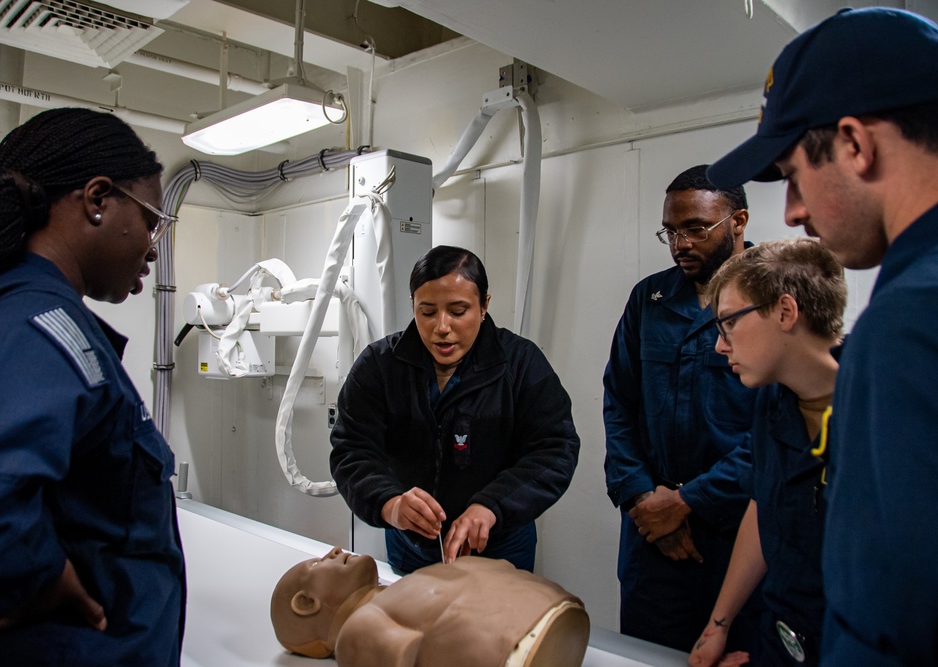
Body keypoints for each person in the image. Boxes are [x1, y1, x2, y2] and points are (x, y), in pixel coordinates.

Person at [706, 8, 938, 665]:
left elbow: (891, 622)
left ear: (855, 144)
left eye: (796, 174)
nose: (794, 212)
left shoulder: (905, 327)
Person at [0, 108, 185, 666]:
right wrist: (39, 578)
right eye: (150, 222)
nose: (152, 247)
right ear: (97, 199)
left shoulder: (24, 311)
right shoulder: (33, 321)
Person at [329, 245, 580, 574]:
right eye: (427, 312)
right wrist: (390, 504)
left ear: (484, 305)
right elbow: (352, 449)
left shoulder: (520, 364)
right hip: (412, 547)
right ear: (413, 306)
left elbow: (555, 449)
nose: (441, 327)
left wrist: (492, 506)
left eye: (458, 311)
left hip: (499, 547)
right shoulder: (379, 366)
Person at [602, 164, 761, 652]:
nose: (680, 244)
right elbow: (619, 406)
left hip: (739, 535)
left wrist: (690, 500)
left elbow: (780, 430)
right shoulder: (649, 299)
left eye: (696, 229)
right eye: (670, 231)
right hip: (652, 536)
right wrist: (643, 501)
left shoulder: (774, 295)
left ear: (739, 221)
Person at [687, 239, 846, 667]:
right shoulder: (774, 401)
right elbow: (763, 505)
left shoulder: (880, 409)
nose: (721, 346)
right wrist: (718, 625)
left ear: (785, 312)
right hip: (782, 634)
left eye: (729, 324)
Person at [271, 546, 590, 667]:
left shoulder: (396, 593)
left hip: (540, 616)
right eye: (317, 564)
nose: (334, 550)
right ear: (306, 603)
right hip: (516, 645)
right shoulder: (359, 630)